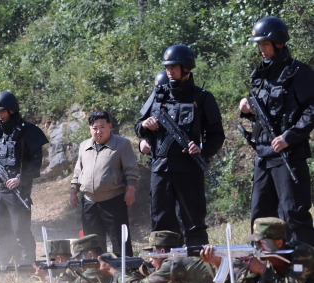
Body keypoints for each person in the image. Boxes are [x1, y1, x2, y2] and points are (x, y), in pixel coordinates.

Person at [135, 44, 224, 246]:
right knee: (160, 222)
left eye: (174, 67)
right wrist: (145, 125)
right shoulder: (158, 96)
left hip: (189, 168)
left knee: (193, 221)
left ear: (186, 68)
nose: (170, 71)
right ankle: (164, 268)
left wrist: (203, 150)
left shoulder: (202, 98)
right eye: (167, 67)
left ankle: (197, 269)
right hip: (160, 169)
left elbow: (217, 134)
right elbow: (138, 126)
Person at [237, 17, 314, 246]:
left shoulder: (298, 72)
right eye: (259, 45)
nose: (261, 49)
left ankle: (305, 272)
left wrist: (290, 137)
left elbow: (311, 110)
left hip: (288, 156)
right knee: (260, 215)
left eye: (265, 44)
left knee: (293, 215)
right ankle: (263, 271)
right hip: (263, 156)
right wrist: (247, 110)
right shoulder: (261, 76)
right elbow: (266, 112)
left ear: (279, 43)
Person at [0, 91, 49, 264]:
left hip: (17, 190)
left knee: (21, 230)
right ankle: (0, 265)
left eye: (2, 111)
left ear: (12, 110)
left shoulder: (28, 131)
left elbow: (36, 163)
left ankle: (27, 267)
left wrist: (21, 178)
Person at [70, 111, 138, 256]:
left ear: (110, 127)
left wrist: (130, 189)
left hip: (114, 200)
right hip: (89, 202)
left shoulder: (122, 144)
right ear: (90, 129)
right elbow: (78, 171)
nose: (98, 131)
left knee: (120, 241)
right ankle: (97, 274)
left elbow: (130, 169)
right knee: (92, 243)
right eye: (94, 128)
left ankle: (126, 272)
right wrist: (73, 192)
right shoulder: (84, 146)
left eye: (102, 127)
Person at [201, 217, 314, 283]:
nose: (257, 247)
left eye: (262, 242)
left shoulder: (302, 253)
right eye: (256, 242)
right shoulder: (262, 259)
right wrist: (217, 263)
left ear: (279, 243)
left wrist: (262, 270)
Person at [97, 230, 223, 283]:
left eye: (152, 253)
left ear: (162, 251)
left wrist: (111, 270)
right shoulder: (180, 262)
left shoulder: (174, 262)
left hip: (237, 278)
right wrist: (143, 273)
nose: (150, 259)